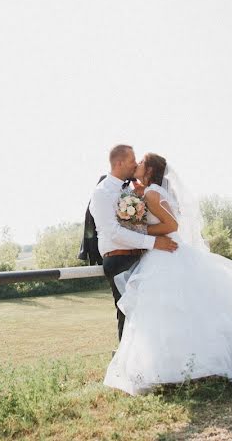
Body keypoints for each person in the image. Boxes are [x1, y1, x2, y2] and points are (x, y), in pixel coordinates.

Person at [103, 152, 232, 395]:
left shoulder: (151, 193)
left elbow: (171, 226)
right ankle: (189, 368)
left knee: (167, 313)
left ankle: (176, 370)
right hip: (168, 253)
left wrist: (140, 228)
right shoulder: (153, 191)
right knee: (185, 313)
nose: (136, 165)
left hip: (164, 255)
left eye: (141, 163)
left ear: (149, 171)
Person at [88, 144, 178, 341]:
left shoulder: (132, 189)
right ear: (119, 163)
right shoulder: (101, 193)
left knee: (149, 313)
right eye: (132, 161)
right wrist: (154, 242)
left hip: (140, 257)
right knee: (129, 315)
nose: (135, 164)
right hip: (119, 260)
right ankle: (126, 367)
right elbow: (114, 232)